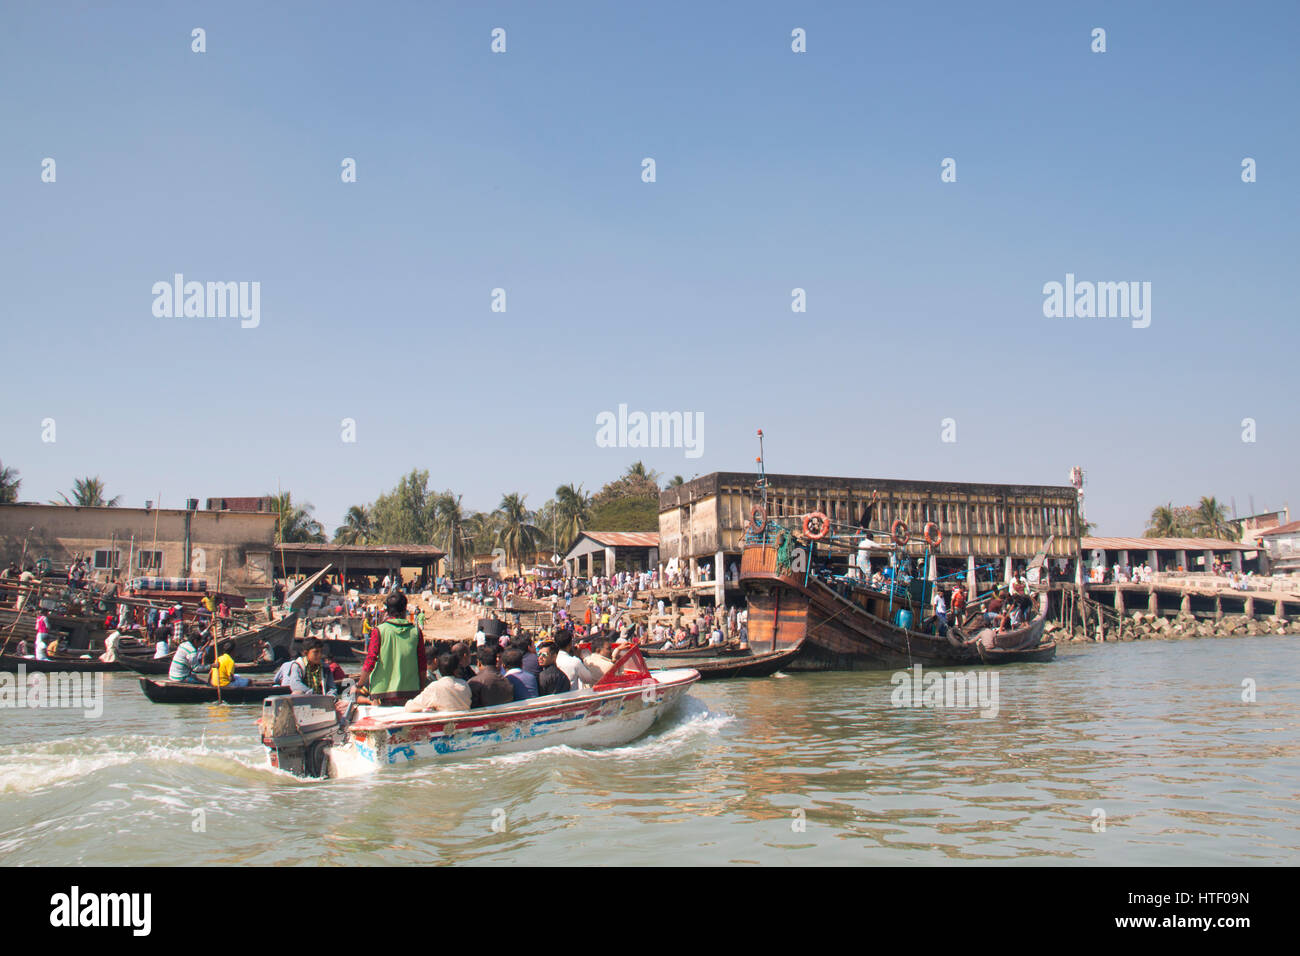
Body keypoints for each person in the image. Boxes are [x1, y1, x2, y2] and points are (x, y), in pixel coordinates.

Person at [357, 592, 426, 706]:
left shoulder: (378, 631)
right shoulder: (416, 632)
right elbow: (422, 665)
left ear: (387, 611)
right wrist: (421, 689)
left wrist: (359, 685)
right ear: (405, 610)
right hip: (410, 693)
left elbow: (370, 661)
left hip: (382, 695)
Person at [404, 651, 471, 713]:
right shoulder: (464, 684)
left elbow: (410, 707)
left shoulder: (435, 687)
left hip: (445, 723)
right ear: (456, 669)